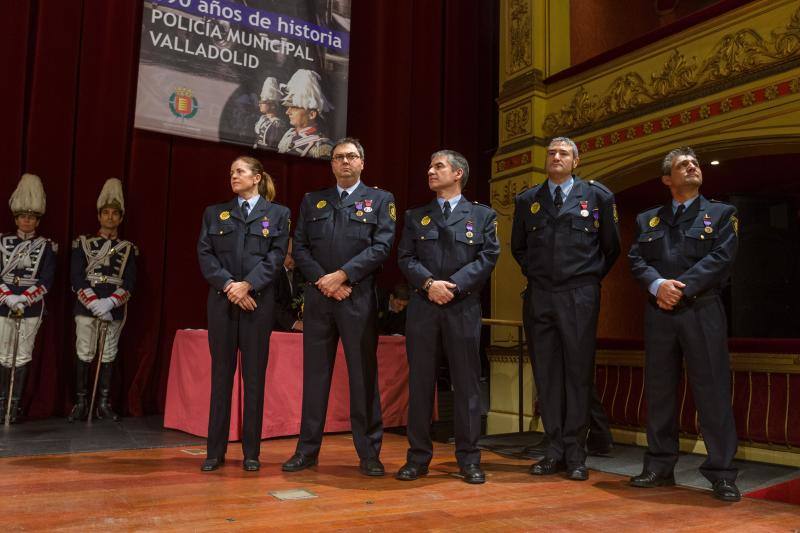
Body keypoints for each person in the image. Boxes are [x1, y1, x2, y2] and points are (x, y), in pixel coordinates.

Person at [628, 146, 740, 501]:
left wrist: (681, 287)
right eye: (682, 164)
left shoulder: (722, 213)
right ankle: (659, 467)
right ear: (667, 179)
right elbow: (636, 260)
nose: (692, 166)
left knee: (712, 390)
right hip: (660, 312)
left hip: (702, 310)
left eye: (694, 163)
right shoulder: (649, 220)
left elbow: (721, 258)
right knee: (660, 391)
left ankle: (722, 472)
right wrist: (658, 285)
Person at [282, 137, 395, 476]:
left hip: (357, 297)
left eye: (351, 157)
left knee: (363, 376)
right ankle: (307, 450)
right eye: (338, 158)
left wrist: (344, 276)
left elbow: (382, 246)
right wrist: (324, 281)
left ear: (362, 162)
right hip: (319, 299)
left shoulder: (379, 199)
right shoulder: (312, 201)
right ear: (331, 164)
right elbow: (299, 248)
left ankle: (369, 453)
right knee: (315, 377)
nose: (345, 162)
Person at [510, 137, 620, 481]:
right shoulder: (528, 200)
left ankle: (576, 454)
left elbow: (610, 248)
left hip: (579, 296)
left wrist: (586, 280)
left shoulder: (598, 197)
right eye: (552, 153)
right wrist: (542, 277)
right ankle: (553, 449)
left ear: (576, 160)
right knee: (547, 375)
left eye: (564, 153)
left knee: (577, 374)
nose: (556, 157)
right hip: (540, 295)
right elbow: (519, 249)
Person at [396, 150, 500, 484]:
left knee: (467, 385)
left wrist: (452, 286)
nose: (430, 170)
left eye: (438, 166)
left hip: (462, 306)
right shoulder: (416, 216)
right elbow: (406, 257)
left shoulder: (482, 216)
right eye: (429, 165)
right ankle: (417, 458)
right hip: (424, 308)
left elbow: (488, 258)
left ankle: (469, 460)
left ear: (458, 174)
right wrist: (429, 284)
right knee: (421, 384)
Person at [197, 156, 290, 472]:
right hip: (223, 303)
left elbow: (276, 257)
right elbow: (205, 255)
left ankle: (252, 453)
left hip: (258, 304)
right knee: (221, 378)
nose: (233, 176)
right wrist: (230, 286)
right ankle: (214, 452)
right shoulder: (215, 213)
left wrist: (248, 285)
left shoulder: (278, 214)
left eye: (239, 171)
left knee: (254, 379)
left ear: (257, 177)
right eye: (231, 172)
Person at [68, 178, 137, 422]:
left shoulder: (128, 248)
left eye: (114, 214)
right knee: (84, 352)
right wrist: (94, 303)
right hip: (87, 306)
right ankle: (81, 402)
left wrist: (110, 303)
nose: (109, 218)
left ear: (120, 218)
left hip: (114, 308)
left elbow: (129, 282)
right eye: (105, 213)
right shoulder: (83, 243)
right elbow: (76, 276)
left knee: (108, 354)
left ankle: (104, 403)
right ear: (99, 216)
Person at [0, 174, 57, 423]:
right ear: (16, 218)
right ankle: (2, 403)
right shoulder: (2, 242)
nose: (27, 220)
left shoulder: (47, 246)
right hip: (3, 305)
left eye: (32, 217)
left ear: (37, 220)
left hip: (31, 307)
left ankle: (15, 405)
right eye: (23, 216)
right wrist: (8, 298)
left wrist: (23, 299)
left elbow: (46, 281)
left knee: (22, 356)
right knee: (2, 355)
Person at [276, 69, 334, 158]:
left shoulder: (322, 147)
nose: (287, 112)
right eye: (288, 108)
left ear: (311, 114)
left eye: (294, 108)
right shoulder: (289, 135)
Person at [274, 238, 305, 332]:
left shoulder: (299, 272)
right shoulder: (273, 273)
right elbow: (273, 306)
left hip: (296, 326)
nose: (294, 260)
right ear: (282, 253)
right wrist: (294, 323)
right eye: (291, 255)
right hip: (277, 329)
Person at [253, 76, 289, 150]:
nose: (259, 104)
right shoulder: (262, 120)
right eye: (260, 102)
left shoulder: (276, 125)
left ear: (272, 105)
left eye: (263, 102)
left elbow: (271, 146)